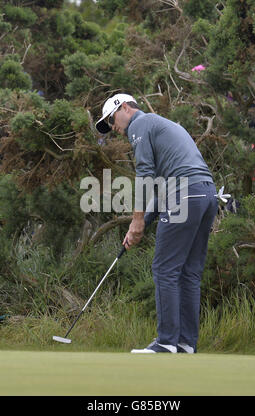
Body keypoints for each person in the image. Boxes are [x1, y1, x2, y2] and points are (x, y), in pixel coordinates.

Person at [96, 93, 218, 354]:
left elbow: (145, 175)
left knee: (165, 268)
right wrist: (137, 224)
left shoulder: (139, 125)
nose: (113, 128)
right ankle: (185, 343)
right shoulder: (161, 124)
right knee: (188, 272)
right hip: (206, 195)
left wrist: (137, 221)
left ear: (125, 108)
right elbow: (162, 192)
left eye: (111, 120)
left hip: (185, 194)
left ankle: (166, 342)